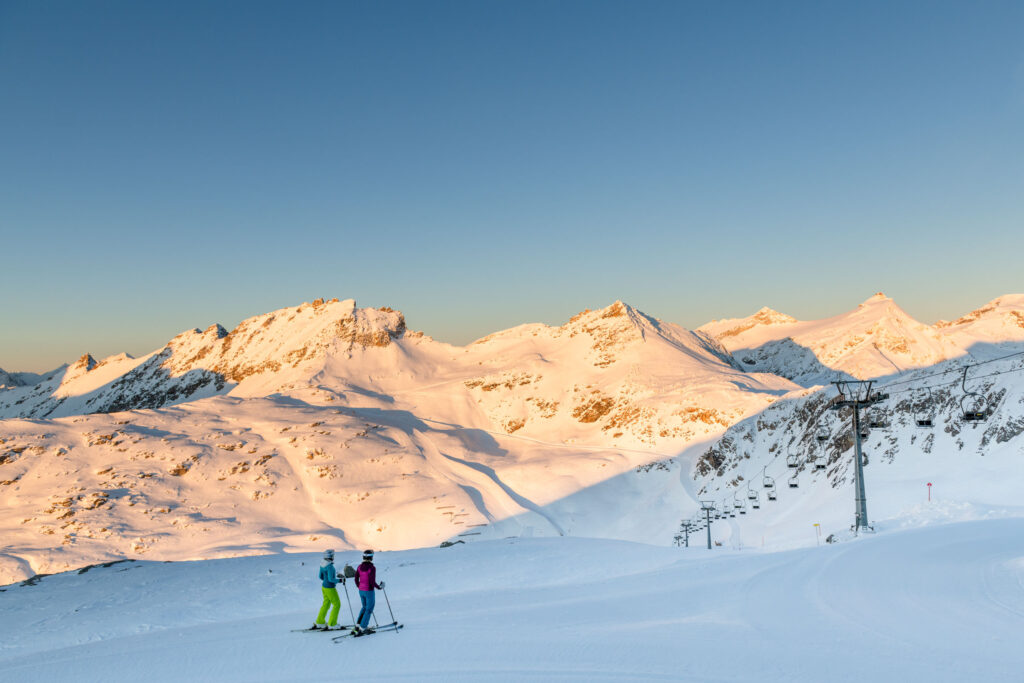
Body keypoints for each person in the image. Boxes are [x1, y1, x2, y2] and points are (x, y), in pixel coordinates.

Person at [353, 549, 384, 634]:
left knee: (364, 607)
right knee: (369, 609)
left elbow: (356, 578)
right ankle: (363, 627)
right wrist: (379, 587)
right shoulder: (372, 568)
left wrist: (359, 586)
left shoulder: (359, 567)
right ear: (371, 558)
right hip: (369, 591)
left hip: (361, 590)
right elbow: (371, 581)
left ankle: (358, 625)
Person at [312, 549, 344, 630]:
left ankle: (320, 622)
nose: (333, 556)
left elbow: (320, 577)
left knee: (326, 603)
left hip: (324, 587)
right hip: (330, 588)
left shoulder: (322, 564)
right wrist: (340, 580)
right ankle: (332, 624)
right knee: (337, 604)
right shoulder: (330, 567)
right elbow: (331, 579)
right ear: (330, 556)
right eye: (333, 555)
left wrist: (327, 580)